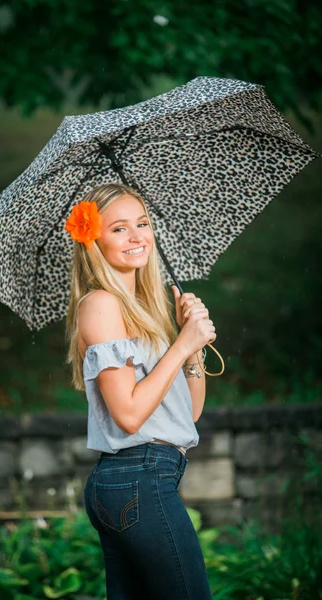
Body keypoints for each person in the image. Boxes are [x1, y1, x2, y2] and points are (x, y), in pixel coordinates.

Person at [64, 182, 216, 599]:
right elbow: (128, 415)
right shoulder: (100, 305)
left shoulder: (145, 311)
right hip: (138, 475)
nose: (137, 236)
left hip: (145, 476)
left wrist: (192, 348)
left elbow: (191, 413)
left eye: (143, 223)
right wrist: (182, 343)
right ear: (93, 240)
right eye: (119, 228)